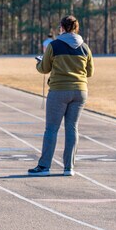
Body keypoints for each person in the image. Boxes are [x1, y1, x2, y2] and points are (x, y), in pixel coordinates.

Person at [29, 15, 94, 177]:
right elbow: (90, 72)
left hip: (59, 90)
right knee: (72, 128)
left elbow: (44, 68)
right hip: (80, 91)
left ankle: (44, 167)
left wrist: (39, 62)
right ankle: (69, 167)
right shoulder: (85, 47)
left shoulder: (54, 45)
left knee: (51, 129)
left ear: (62, 28)